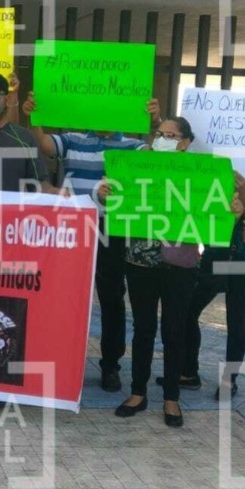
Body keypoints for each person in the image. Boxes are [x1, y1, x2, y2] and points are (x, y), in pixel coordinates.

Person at [100, 117, 241, 428]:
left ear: (185, 142)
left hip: (182, 265)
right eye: (159, 133)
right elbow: (109, 197)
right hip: (139, 262)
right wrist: (105, 195)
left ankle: (171, 398)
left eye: (171, 135)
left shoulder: (203, 174)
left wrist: (233, 210)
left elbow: (221, 212)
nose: (163, 138)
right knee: (143, 328)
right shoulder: (134, 166)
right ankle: (138, 392)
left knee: (175, 330)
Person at [21, 92, 160, 391]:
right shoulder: (72, 139)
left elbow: (154, 159)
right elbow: (45, 145)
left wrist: (154, 123)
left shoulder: (132, 145)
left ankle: (110, 365)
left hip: (112, 229)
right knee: (64, 294)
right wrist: (34, 118)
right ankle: (57, 360)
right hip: (73, 227)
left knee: (111, 298)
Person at [180, 173, 245, 398]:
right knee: (188, 310)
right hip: (214, 256)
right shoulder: (210, 170)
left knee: (236, 318)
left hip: (244, 261)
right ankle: (189, 371)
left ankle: (229, 380)